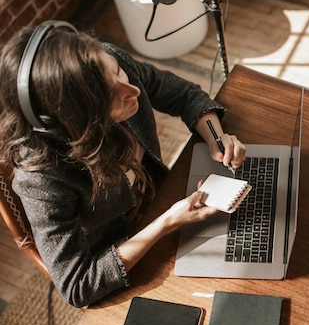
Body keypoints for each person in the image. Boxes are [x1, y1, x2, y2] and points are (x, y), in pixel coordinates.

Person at [0, 22, 246, 307]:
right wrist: (167, 222)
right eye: (111, 97)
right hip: (121, 253)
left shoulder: (111, 65)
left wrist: (216, 137)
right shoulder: (41, 178)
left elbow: (184, 95)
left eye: (117, 71)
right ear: (75, 122)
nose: (133, 90)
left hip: (165, 200)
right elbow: (78, 286)